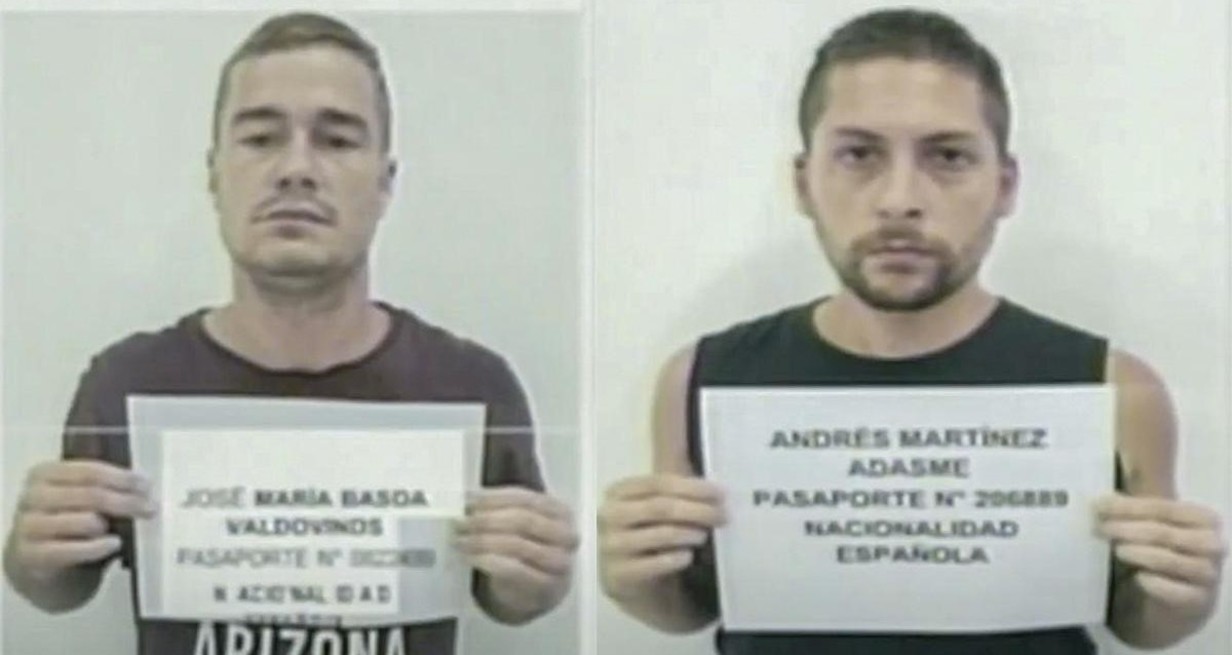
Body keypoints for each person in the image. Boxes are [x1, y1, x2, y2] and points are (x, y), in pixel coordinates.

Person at [598, 8, 1224, 654]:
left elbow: (1139, 624)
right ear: (803, 183)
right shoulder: (702, 377)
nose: (899, 199)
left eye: (948, 156)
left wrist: (1181, 595)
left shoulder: (1116, 387)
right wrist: (637, 583)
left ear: (1005, 186)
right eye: (858, 154)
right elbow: (692, 607)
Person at [3, 12, 576, 655]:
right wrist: (31, 556)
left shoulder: (472, 386)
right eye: (260, 138)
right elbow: (60, 588)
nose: (296, 169)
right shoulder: (127, 383)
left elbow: (509, 600)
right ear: (214, 174)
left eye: (337, 140)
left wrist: (537, 581)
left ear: (385, 183)